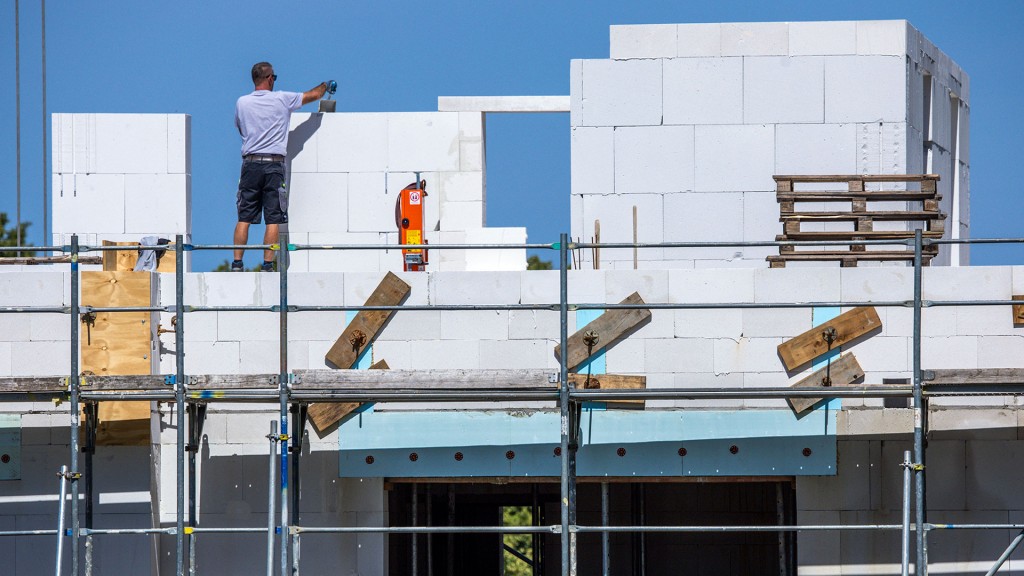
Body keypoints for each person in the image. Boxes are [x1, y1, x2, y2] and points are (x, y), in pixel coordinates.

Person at [232, 61, 332, 271]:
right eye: (274, 78)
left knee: (244, 217)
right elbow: (312, 95)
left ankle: (237, 263)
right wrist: (325, 85)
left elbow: (240, 127)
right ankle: (267, 264)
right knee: (273, 218)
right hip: (274, 165)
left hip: (250, 164)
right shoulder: (282, 99)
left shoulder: (242, 102)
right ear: (269, 78)